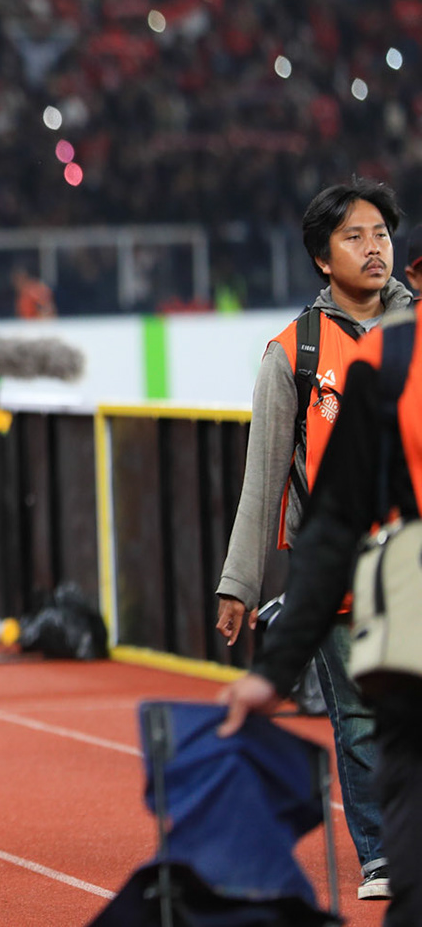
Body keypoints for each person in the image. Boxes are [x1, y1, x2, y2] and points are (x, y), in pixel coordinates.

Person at [213, 180, 405, 899]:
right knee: (357, 718)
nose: (374, 248)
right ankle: (384, 855)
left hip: (415, 562)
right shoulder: (291, 352)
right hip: (338, 572)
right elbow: (263, 479)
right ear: (322, 257)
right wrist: (239, 583)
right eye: (354, 236)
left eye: (381, 233)